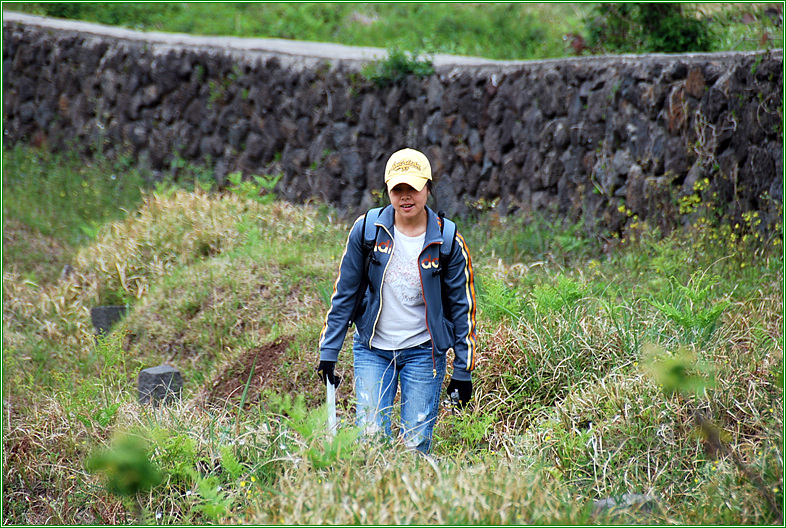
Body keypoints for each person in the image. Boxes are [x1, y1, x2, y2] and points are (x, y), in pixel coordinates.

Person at [316, 147, 478, 454]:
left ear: (428, 189)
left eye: (413, 188)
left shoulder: (448, 241)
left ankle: (411, 500)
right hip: (373, 350)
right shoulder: (368, 230)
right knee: (371, 439)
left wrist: (463, 370)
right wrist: (329, 350)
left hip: (424, 353)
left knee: (416, 445)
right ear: (387, 190)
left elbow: (463, 307)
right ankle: (375, 500)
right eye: (398, 189)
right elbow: (345, 293)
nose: (406, 197)